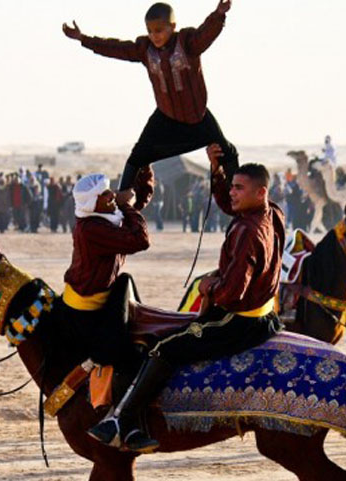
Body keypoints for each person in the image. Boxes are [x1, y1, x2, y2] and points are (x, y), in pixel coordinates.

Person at [89, 144, 285, 453]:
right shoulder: (272, 213)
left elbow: (233, 293)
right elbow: (227, 202)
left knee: (165, 348)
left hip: (238, 322)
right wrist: (218, 170)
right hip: (266, 318)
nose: (231, 193)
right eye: (232, 186)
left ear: (260, 192)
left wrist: (210, 288)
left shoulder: (248, 230)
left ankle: (121, 420)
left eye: (238, 188)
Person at [63, 0, 237, 191]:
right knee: (137, 157)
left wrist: (219, 14)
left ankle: (242, 203)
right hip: (165, 117)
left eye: (159, 30)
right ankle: (122, 204)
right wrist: (83, 39)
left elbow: (205, 34)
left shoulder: (186, 43)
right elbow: (117, 48)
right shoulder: (145, 49)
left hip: (197, 116)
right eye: (150, 30)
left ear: (172, 26)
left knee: (227, 154)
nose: (154, 35)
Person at [61, 167, 154, 441]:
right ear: (93, 203)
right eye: (104, 194)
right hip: (86, 310)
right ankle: (118, 419)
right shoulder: (92, 229)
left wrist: (143, 175)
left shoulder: (105, 218)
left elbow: (130, 206)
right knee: (126, 355)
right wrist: (128, 207)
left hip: (104, 295)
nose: (111, 195)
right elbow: (140, 240)